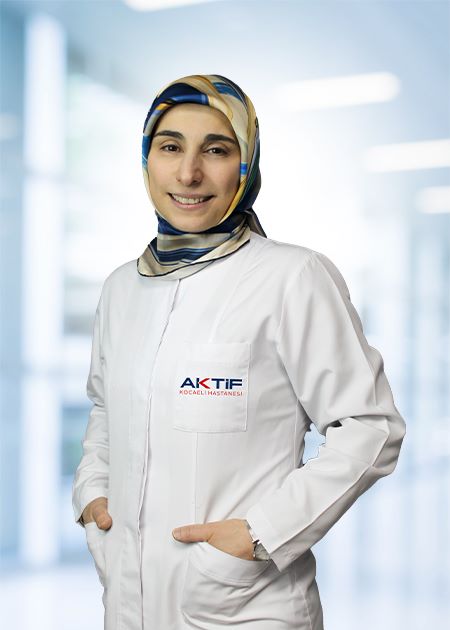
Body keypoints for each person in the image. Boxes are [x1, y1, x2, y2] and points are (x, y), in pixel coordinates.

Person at [72, 73, 406, 630]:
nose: (188, 173)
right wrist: (92, 496)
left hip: (244, 605)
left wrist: (261, 533)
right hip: (128, 602)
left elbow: (371, 427)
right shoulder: (121, 287)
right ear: (147, 159)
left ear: (246, 165)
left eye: (216, 150)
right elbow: (106, 410)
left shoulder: (293, 276)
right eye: (170, 147)